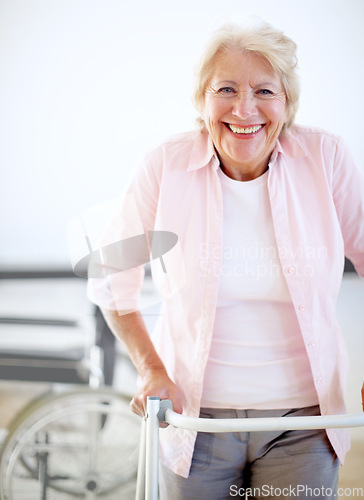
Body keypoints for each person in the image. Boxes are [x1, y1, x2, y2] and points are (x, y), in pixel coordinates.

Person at [87, 20, 364, 500]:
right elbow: (111, 276)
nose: (244, 109)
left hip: (305, 424)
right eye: (227, 89)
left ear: (287, 103)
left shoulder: (326, 158)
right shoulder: (165, 165)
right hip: (195, 424)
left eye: (264, 91)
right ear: (202, 100)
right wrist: (151, 368)